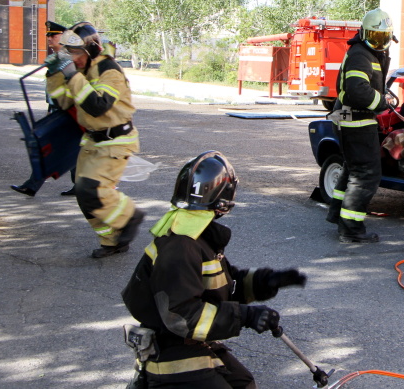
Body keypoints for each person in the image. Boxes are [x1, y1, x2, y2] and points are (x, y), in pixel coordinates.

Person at [121, 151, 306, 389]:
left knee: (244, 383)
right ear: (222, 197)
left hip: (190, 343)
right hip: (172, 353)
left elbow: (222, 284)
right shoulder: (181, 246)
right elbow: (182, 316)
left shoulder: (195, 233)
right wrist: (246, 316)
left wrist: (265, 281)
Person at [45, 22, 144, 258]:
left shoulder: (109, 70)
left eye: (76, 53)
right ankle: (112, 241)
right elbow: (65, 102)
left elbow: (97, 106)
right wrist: (55, 75)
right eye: (68, 53)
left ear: (90, 50)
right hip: (91, 140)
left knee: (92, 189)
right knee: (84, 196)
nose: (73, 59)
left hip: (116, 140)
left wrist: (71, 75)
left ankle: (128, 217)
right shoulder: (82, 70)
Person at [324, 8, 393, 243]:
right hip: (356, 119)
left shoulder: (365, 53)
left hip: (348, 117)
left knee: (353, 170)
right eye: (375, 37)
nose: (379, 43)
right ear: (363, 32)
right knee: (366, 174)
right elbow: (357, 90)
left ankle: (338, 215)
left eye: (383, 38)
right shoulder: (360, 55)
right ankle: (351, 229)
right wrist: (383, 102)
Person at [11, 20, 77, 197]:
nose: (49, 39)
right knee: (73, 149)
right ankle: (80, 185)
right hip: (59, 111)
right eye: (48, 35)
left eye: (52, 35)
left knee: (48, 148)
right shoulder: (58, 58)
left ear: (63, 37)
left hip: (67, 113)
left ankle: (33, 185)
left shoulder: (66, 59)